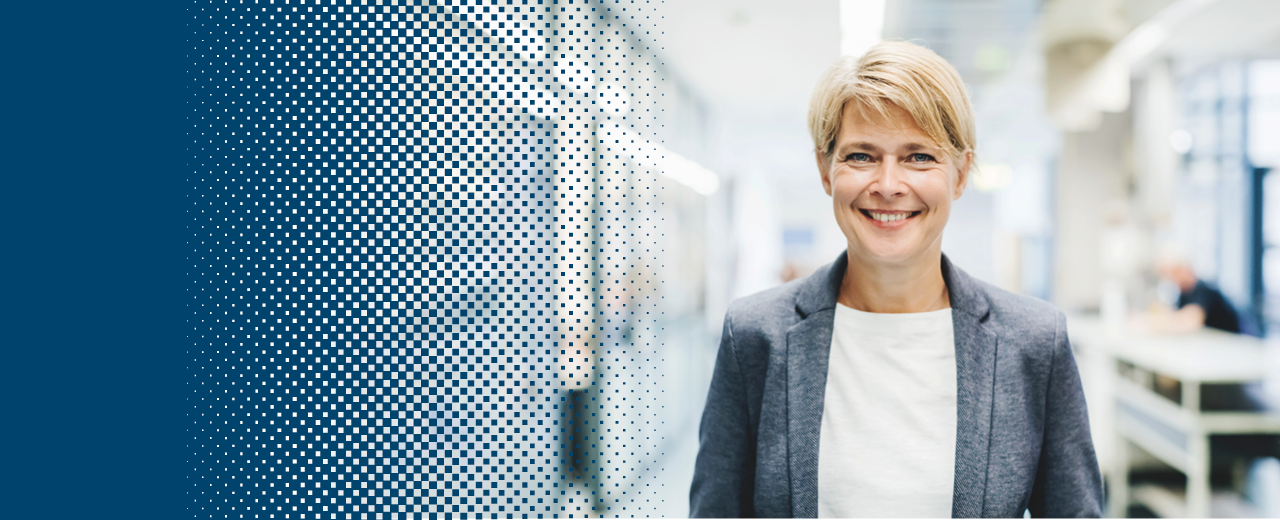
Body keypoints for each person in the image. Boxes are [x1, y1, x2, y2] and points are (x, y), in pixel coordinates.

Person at [688, 41, 1102, 518]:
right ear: (826, 170)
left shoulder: (1032, 343)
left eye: (919, 157)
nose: (887, 184)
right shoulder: (756, 336)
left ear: (961, 173)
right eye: (861, 156)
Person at [1155, 254, 1241, 333]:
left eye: (1174, 272)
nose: (1171, 278)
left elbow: (1190, 322)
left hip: (1231, 342)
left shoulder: (1204, 290)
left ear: (1184, 269)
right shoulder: (1183, 294)